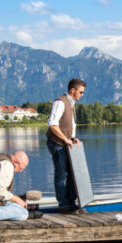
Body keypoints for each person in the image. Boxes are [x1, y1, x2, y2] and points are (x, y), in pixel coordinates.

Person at [46, 78, 86, 214]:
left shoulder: (71, 103)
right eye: (81, 92)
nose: (82, 95)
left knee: (71, 174)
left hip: (66, 143)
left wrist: (73, 139)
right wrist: (65, 139)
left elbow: (69, 126)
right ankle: (63, 205)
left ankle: (71, 203)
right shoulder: (60, 102)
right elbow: (52, 124)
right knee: (61, 175)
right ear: (72, 90)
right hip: (57, 144)